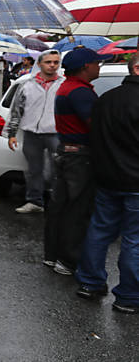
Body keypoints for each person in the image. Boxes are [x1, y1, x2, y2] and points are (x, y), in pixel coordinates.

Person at [74, 61, 139, 313]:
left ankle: (90, 283)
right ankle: (129, 296)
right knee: (134, 239)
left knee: (100, 230)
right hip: (134, 181)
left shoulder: (104, 100)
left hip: (107, 177)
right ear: (136, 68)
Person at [45, 48, 110, 275]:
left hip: (67, 153)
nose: (98, 67)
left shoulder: (67, 87)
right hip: (79, 157)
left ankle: (53, 256)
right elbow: (96, 125)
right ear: (85, 67)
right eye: (96, 63)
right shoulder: (81, 92)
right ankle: (69, 260)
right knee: (77, 209)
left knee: (61, 206)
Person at [5, 50, 63, 214]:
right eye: (48, 62)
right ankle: (35, 201)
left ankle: (56, 202)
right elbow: (16, 111)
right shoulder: (27, 85)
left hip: (55, 133)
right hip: (31, 133)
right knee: (33, 170)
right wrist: (11, 134)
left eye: (55, 62)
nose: (52, 65)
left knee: (57, 170)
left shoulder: (62, 85)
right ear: (39, 64)